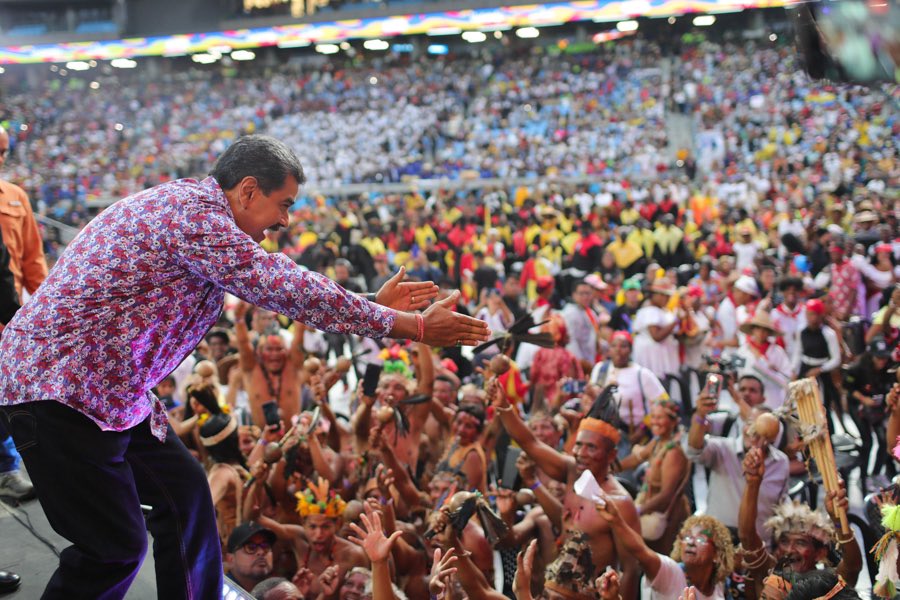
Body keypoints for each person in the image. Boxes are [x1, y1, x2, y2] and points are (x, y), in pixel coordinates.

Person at [0, 135, 489, 598]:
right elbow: (278, 283)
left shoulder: (201, 215)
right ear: (248, 190)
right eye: (284, 205)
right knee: (114, 548)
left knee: (186, 497)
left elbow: (270, 289)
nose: (285, 221)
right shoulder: (194, 216)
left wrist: (367, 302)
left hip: (110, 392)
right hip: (61, 391)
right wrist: (409, 326)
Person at [224, 521, 277, 594]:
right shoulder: (217, 592)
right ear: (230, 559)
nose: (261, 552)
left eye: (265, 546)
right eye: (251, 547)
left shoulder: (278, 591)